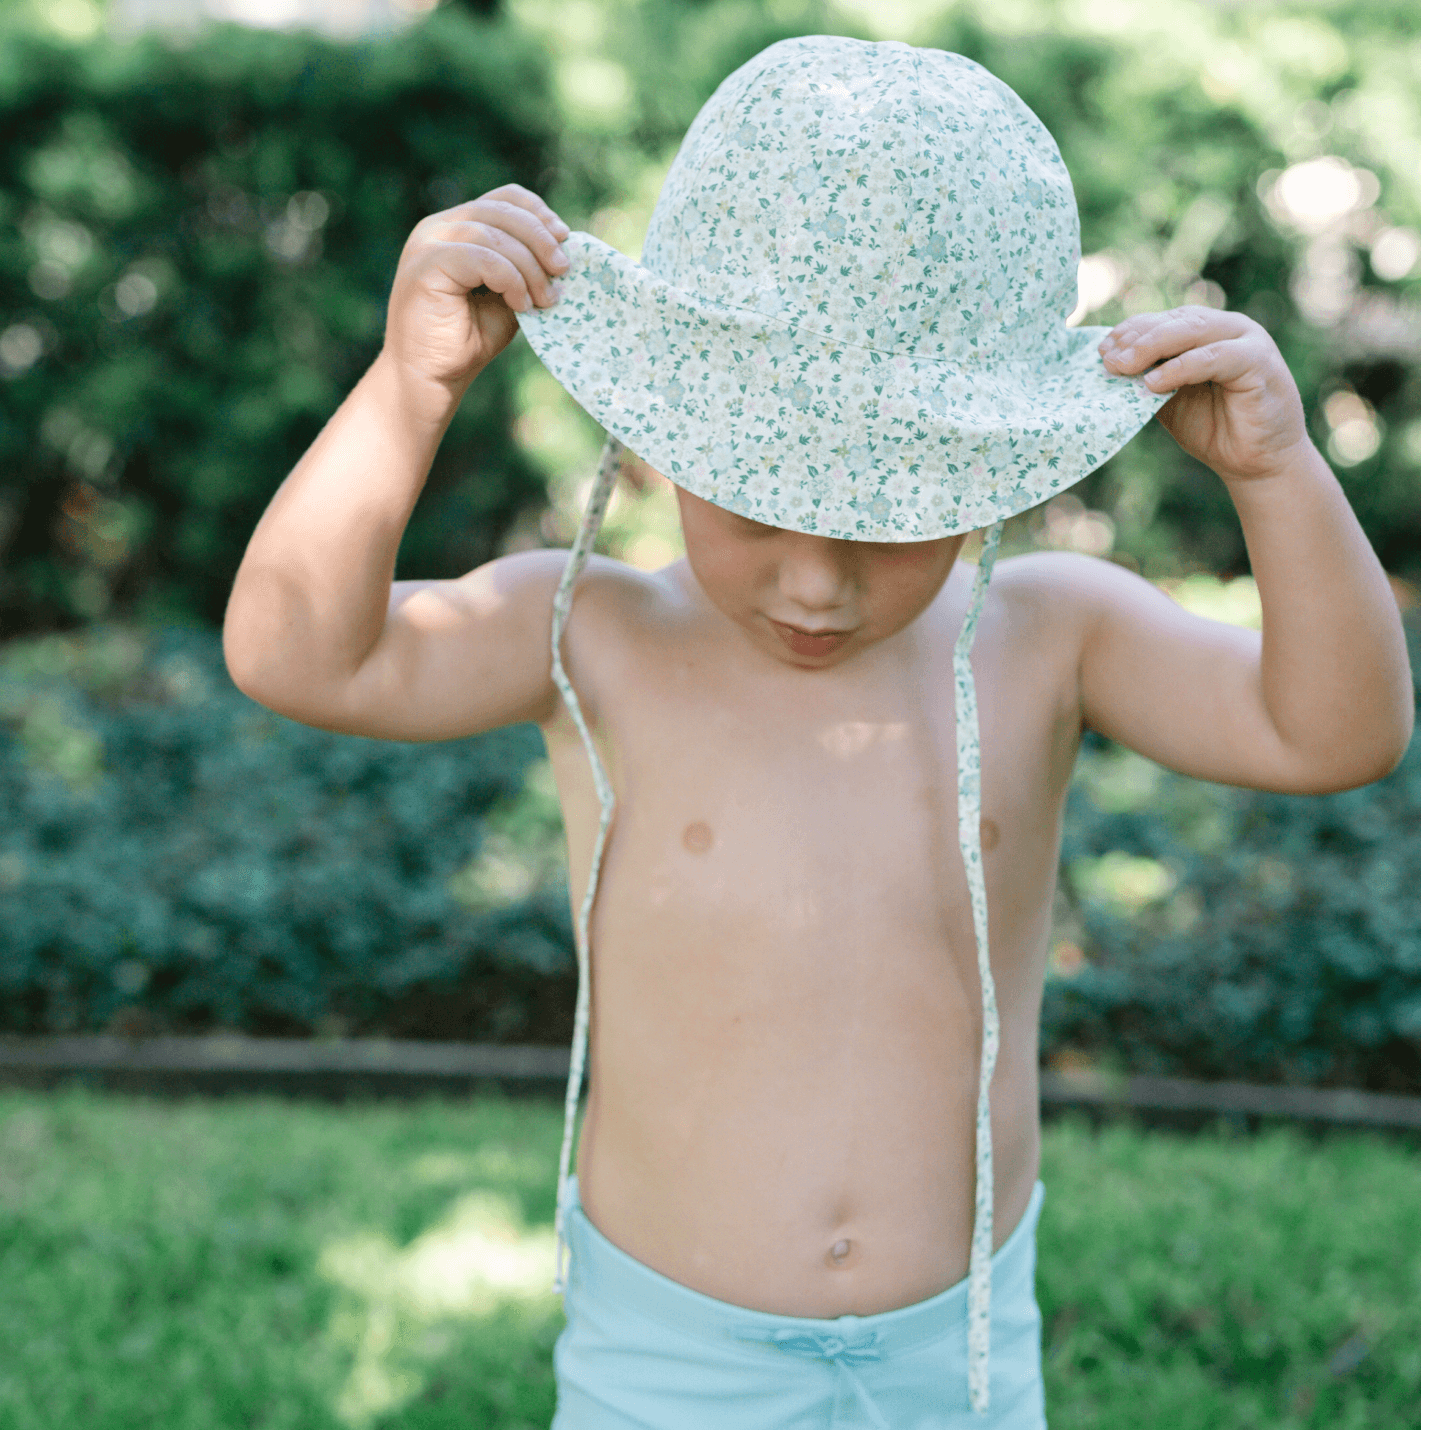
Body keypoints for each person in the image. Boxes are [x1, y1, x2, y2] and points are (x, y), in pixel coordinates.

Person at [222, 34, 1415, 1430]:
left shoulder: (1047, 634)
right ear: (667, 441)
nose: (812, 582)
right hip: (667, 1357)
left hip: (953, 1355)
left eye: (881, 522)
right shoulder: (586, 633)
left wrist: (1274, 473)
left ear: (984, 477)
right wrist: (409, 387)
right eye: (756, 508)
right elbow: (300, 651)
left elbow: (1332, 734)